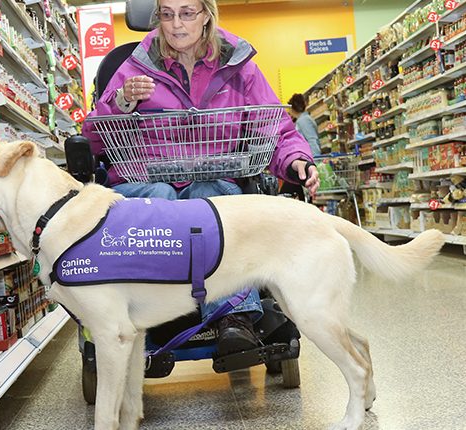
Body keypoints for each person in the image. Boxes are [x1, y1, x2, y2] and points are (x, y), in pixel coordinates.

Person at [81, 0, 319, 355]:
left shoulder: (239, 68)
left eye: (187, 12)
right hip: (146, 180)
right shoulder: (130, 68)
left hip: (217, 180)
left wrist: (297, 160)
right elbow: (92, 140)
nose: (176, 24)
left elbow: (275, 130)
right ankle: (153, 317)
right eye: (166, 14)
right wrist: (119, 102)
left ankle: (232, 318)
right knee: (158, 198)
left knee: (211, 198)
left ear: (206, 13)